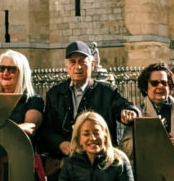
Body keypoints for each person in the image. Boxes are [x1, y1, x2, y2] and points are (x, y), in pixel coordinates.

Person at [39, 41, 138, 173]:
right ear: (66, 67)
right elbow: (47, 130)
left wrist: (130, 112)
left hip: (99, 161)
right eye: (73, 62)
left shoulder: (107, 92)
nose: (78, 67)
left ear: (92, 65)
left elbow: (127, 107)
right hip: (66, 162)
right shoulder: (54, 94)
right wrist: (60, 144)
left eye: (82, 61)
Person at [120, 64, 174, 158]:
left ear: (169, 85)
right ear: (146, 88)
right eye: (154, 83)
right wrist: (149, 131)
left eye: (164, 82)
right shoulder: (138, 113)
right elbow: (126, 150)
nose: (160, 86)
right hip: (150, 166)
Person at [0, 49, 44, 135]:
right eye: (1, 68)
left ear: (22, 73)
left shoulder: (32, 100)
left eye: (11, 69)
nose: (5, 73)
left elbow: (30, 127)